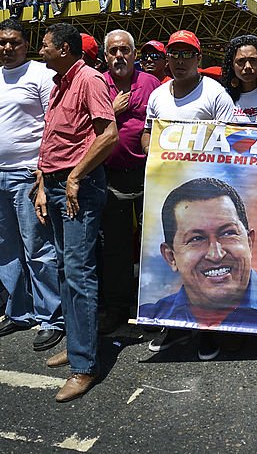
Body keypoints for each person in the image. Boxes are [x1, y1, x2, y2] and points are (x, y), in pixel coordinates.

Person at [0, 19, 63, 352]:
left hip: (28, 174)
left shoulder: (41, 75)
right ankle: (19, 310)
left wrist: (42, 174)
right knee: (1, 247)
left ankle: (52, 316)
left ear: (27, 44)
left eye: (15, 42)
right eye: (2, 42)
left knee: (38, 248)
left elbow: (52, 125)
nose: (7, 48)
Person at [35, 23, 119, 402]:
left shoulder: (88, 80)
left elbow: (109, 135)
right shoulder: (60, 84)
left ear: (65, 49)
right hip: (55, 185)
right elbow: (52, 139)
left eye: (46, 46)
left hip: (78, 189)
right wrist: (43, 186)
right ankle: (77, 342)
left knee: (79, 272)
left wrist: (74, 177)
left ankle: (84, 366)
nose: (41, 51)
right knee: (66, 269)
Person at [141, 30, 236, 360]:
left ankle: (209, 332)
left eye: (187, 54)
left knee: (208, 262)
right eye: (174, 54)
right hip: (166, 189)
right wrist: (161, 155)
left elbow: (229, 142)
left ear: (199, 59)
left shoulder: (215, 93)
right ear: (167, 58)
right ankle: (176, 327)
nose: (180, 60)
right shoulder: (158, 96)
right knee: (177, 264)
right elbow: (146, 138)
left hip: (205, 189)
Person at [140, 177, 257, 332]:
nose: (216, 254)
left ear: (249, 242)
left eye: (228, 233)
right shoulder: (153, 315)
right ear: (171, 257)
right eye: (197, 238)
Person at [99, 29, 160, 333]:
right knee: (116, 249)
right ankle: (116, 309)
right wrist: (112, 111)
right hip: (111, 178)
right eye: (113, 51)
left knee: (155, 245)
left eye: (125, 50)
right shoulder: (97, 84)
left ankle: (153, 307)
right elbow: (85, 126)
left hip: (149, 175)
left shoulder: (151, 84)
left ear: (135, 54)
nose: (119, 56)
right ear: (105, 56)